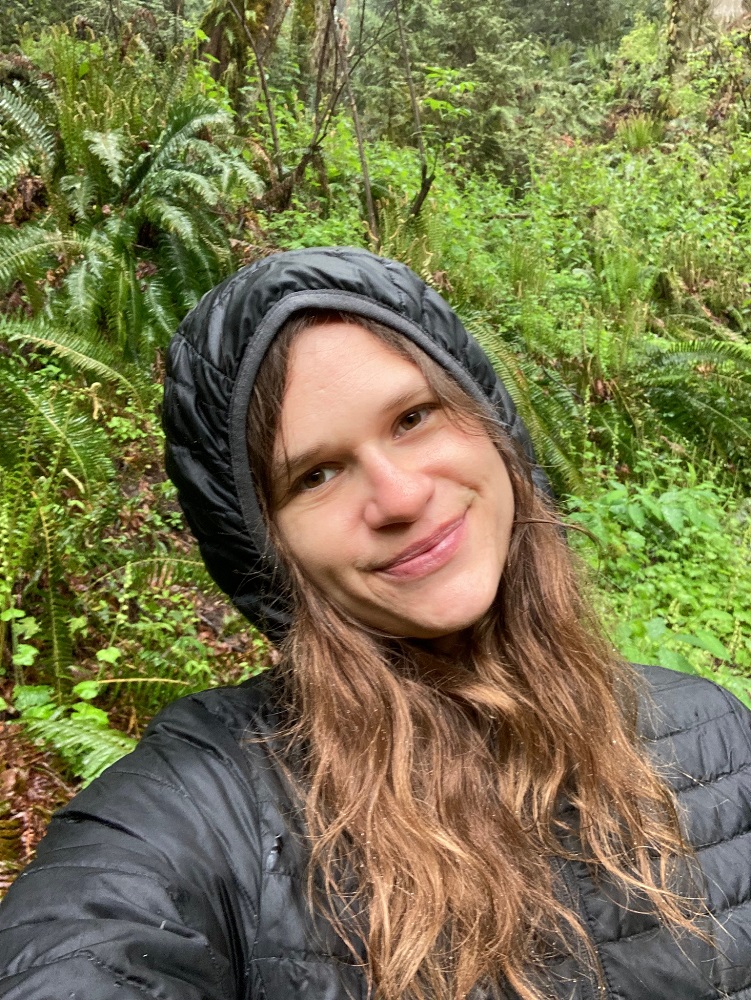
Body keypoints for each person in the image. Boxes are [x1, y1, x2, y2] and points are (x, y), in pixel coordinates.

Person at [1, 246, 751, 1000]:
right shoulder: (206, 813)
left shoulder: (711, 733)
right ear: (261, 545)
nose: (397, 496)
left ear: (492, 425)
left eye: (413, 417)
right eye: (315, 475)